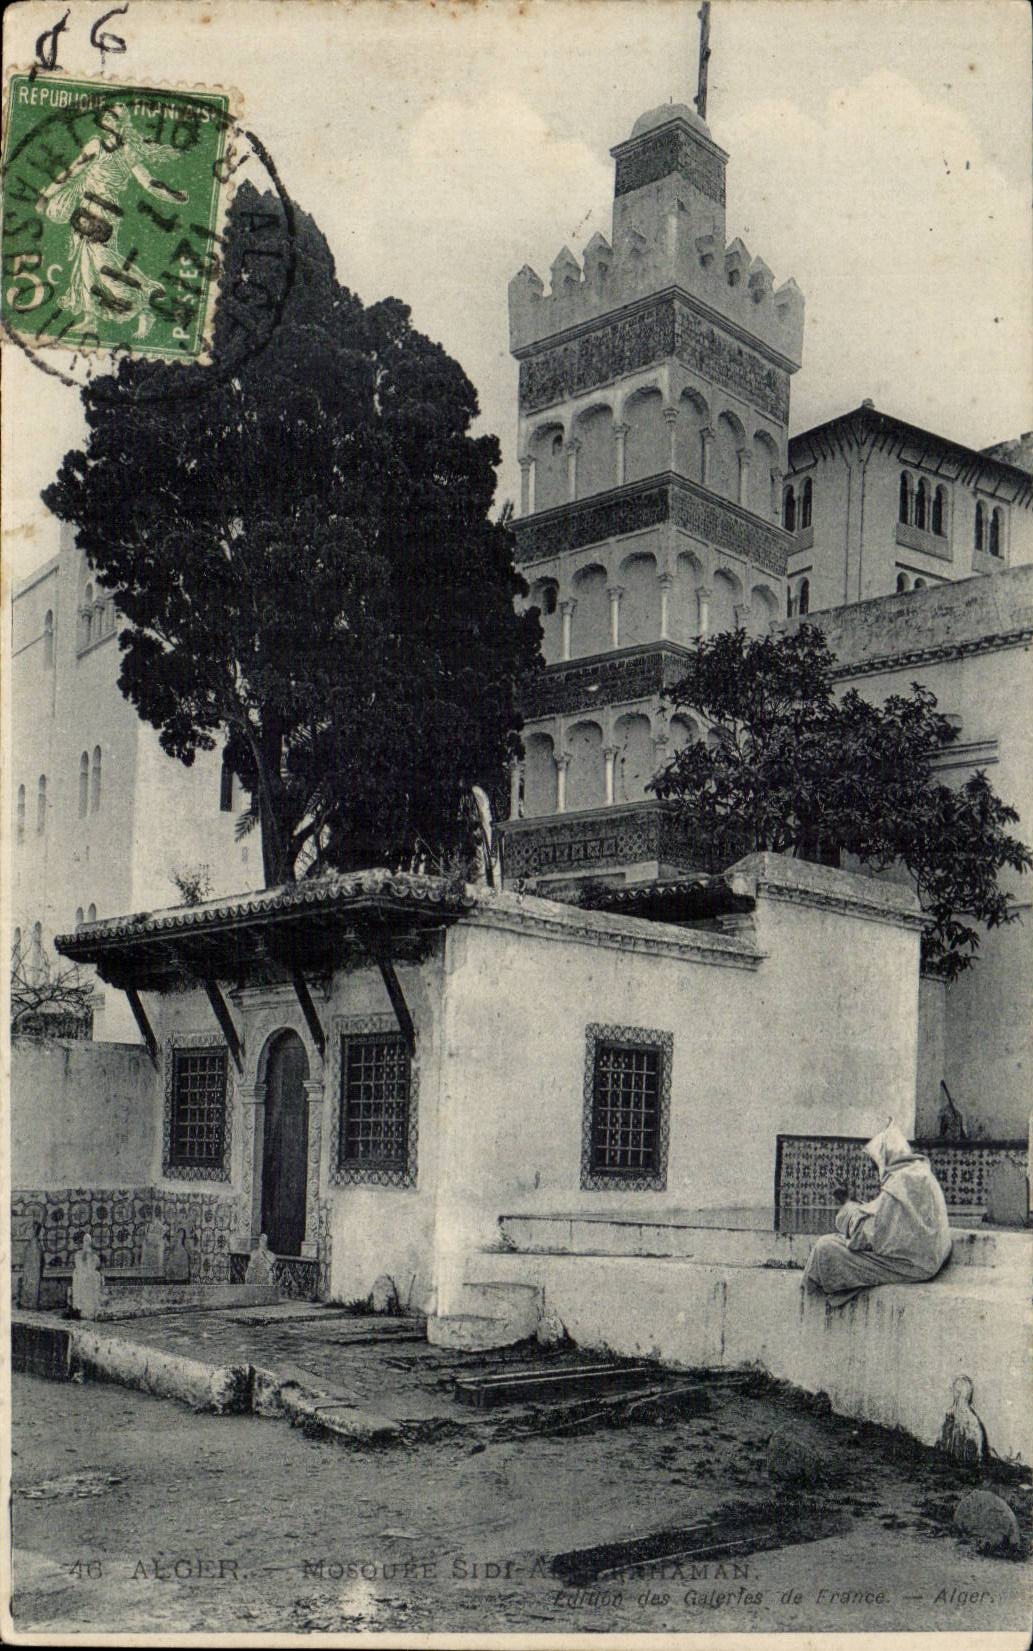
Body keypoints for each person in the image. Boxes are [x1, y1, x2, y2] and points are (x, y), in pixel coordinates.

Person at [803, 1121, 952, 1308]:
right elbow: (886, 1221)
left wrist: (846, 1203)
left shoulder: (901, 1182)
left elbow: (865, 1236)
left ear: (885, 1158)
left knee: (825, 1247)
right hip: (927, 1259)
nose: (875, 1171)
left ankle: (810, 1305)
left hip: (915, 1265)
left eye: (875, 1164)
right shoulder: (920, 1173)